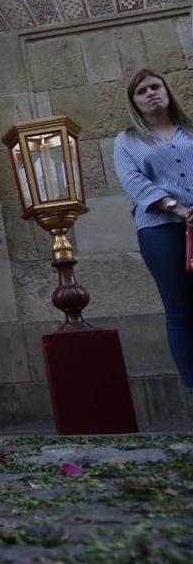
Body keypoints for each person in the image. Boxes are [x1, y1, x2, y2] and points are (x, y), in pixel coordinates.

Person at [113, 68, 193, 394]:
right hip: (161, 230)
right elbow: (134, 182)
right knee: (179, 309)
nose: (150, 93)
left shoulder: (189, 131)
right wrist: (178, 208)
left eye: (155, 86)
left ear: (166, 90)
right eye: (142, 91)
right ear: (135, 101)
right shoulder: (128, 141)